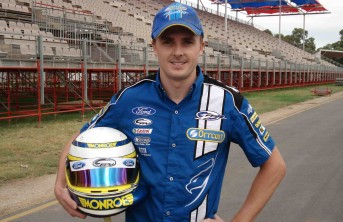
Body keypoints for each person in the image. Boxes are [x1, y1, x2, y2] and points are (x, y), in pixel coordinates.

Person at [54, 2, 286, 222]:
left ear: (201, 46)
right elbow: (81, 138)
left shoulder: (227, 101)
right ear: (154, 46)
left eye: (187, 42)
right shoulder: (130, 98)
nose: (177, 52)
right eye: (168, 42)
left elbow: (274, 166)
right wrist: (60, 184)